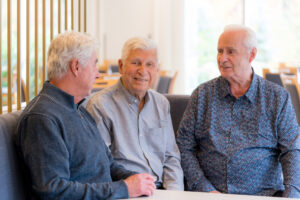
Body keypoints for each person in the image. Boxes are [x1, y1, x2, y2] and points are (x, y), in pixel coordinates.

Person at [15, 32, 156, 199]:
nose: (98, 74)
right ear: (76, 67)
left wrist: (134, 179)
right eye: (94, 65)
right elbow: (53, 190)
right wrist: (124, 188)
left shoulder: (79, 109)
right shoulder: (42, 118)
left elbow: (108, 165)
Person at [176, 24, 300, 198]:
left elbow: (292, 151)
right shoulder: (202, 95)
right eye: (220, 51)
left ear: (252, 54)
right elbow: (183, 146)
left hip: (262, 195)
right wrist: (205, 189)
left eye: (230, 52)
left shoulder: (277, 98)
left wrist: (292, 196)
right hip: (208, 195)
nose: (222, 58)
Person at [85, 37, 184, 190]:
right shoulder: (100, 105)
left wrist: (174, 193)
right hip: (127, 191)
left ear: (157, 70)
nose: (142, 70)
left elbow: (171, 157)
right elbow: (100, 165)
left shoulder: (161, 104)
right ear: (121, 65)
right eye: (136, 63)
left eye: (149, 64)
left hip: (162, 191)